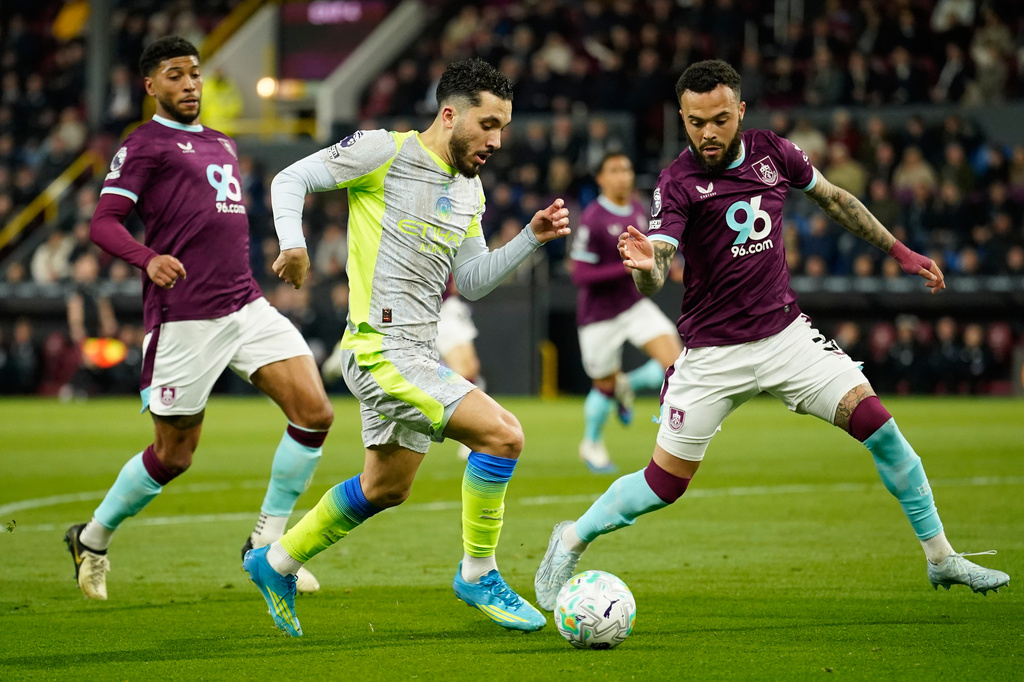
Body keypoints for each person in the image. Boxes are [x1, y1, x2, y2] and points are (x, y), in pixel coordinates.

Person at [534, 60, 1009, 611]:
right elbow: (659, 266)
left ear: (739, 110)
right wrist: (644, 267)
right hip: (713, 354)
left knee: (881, 430)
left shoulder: (774, 152)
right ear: (681, 119)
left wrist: (900, 252)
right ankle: (570, 538)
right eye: (693, 122)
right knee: (664, 486)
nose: (706, 133)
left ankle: (942, 557)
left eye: (717, 119)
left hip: (786, 338)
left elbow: (835, 199)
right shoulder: (677, 182)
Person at [242, 58, 571, 637]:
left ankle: (276, 562)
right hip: (380, 349)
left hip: (419, 351)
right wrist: (292, 245)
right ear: (450, 115)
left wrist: (529, 239)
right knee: (504, 434)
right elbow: (289, 179)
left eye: (503, 128)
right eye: (488, 125)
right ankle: (478, 573)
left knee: (385, 487)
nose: (497, 141)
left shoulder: (469, 190)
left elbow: (469, 280)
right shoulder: (382, 151)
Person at [64, 36, 333, 601]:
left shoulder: (222, 143)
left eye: (194, 74)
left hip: (246, 303)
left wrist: (279, 253)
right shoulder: (144, 144)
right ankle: (92, 538)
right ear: (150, 86)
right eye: (174, 75)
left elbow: (223, 221)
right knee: (174, 455)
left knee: (314, 414)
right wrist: (147, 257)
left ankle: (266, 547)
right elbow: (105, 222)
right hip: (185, 317)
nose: (189, 84)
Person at [570, 152, 681, 473]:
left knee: (676, 364)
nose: (622, 175)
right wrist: (626, 267)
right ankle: (591, 444)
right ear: (601, 179)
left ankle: (628, 385)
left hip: (634, 306)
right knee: (603, 386)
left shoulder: (638, 209)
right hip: (599, 316)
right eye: (614, 170)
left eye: (627, 169)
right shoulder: (593, 218)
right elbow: (579, 275)